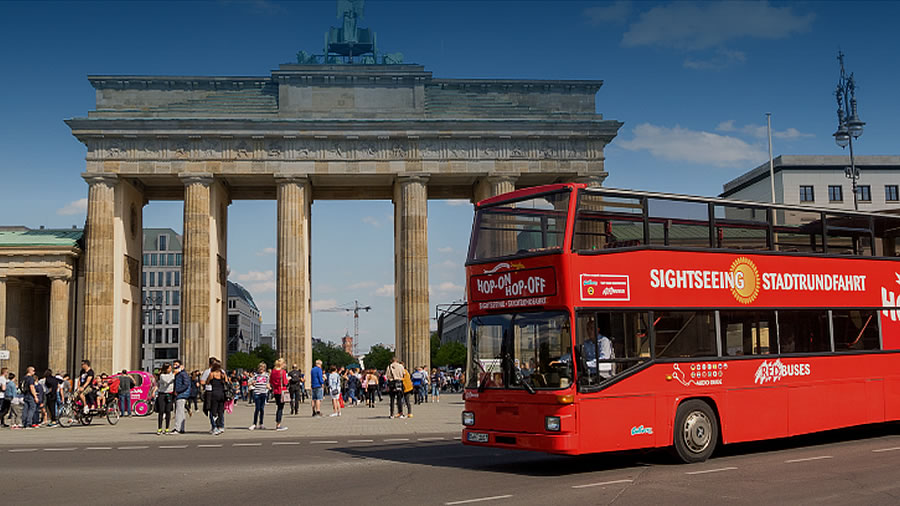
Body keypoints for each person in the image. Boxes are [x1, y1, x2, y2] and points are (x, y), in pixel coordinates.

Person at [207, 361, 228, 435]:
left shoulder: (212, 374)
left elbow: (207, 382)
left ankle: (214, 427)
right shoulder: (222, 374)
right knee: (220, 411)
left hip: (214, 393)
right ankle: (221, 426)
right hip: (222, 394)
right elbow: (226, 382)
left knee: (213, 411)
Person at [155, 363, 175, 435]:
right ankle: (159, 428)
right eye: (169, 368)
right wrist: (174, 375)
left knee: (168, 411)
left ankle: (167, 428)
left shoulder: (172, 374)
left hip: (169, 394)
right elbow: (167, 381)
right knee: (161, 411)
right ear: (166, 369)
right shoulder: (162, 375)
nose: (171, 369)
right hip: (162, 394)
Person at [249, 362, 269, 430]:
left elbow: (267, 383)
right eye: (260, 367)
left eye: (262, 368)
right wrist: (252, 383)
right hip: (257, 392)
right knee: (257, 408)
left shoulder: (266, 375)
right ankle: (254, 423)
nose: (261, 369)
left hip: (263, 393)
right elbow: (250, 382)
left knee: (262, 409)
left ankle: (261, 423)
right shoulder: (256, 375)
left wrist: (269, 387)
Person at [270, 359, 289, 430]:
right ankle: (278, 424)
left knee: (278, 407)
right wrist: (288, 379)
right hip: (282, 391)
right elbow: (285, 382)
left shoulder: (273, 371)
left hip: (275, 391)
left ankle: (278, 423)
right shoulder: (282, 372)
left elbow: (271, 381)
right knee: (280, 408)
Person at [173, 360, 190, 433]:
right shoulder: (179, 374)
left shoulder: (182, 374)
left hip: (181, 394)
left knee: (179, 412)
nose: (174, 366)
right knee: (181, 412)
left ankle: (177, 428)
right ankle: (181, 428)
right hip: (181, 394)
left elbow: (186, 384)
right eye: (174, 364)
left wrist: (178, 390)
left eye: (176, 364)